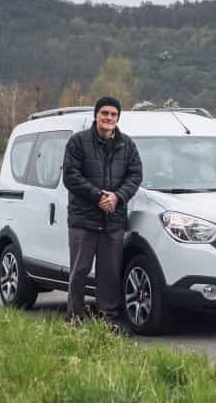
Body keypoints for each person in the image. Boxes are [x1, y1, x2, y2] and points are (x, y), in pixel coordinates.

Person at [62, 96, 143, 326]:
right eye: (104, 113)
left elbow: (135, 175)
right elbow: (70, 176)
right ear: (96, 115)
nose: (109, 118)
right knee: (79, 271)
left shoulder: (127, 145)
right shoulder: (78, 142)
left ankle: (108, 321)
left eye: (113, 114)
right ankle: (75, 318)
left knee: (109, 274)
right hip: (83, 220)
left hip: (113, 221)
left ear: (118, 118)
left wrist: (118, 197)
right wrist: (99, 196)